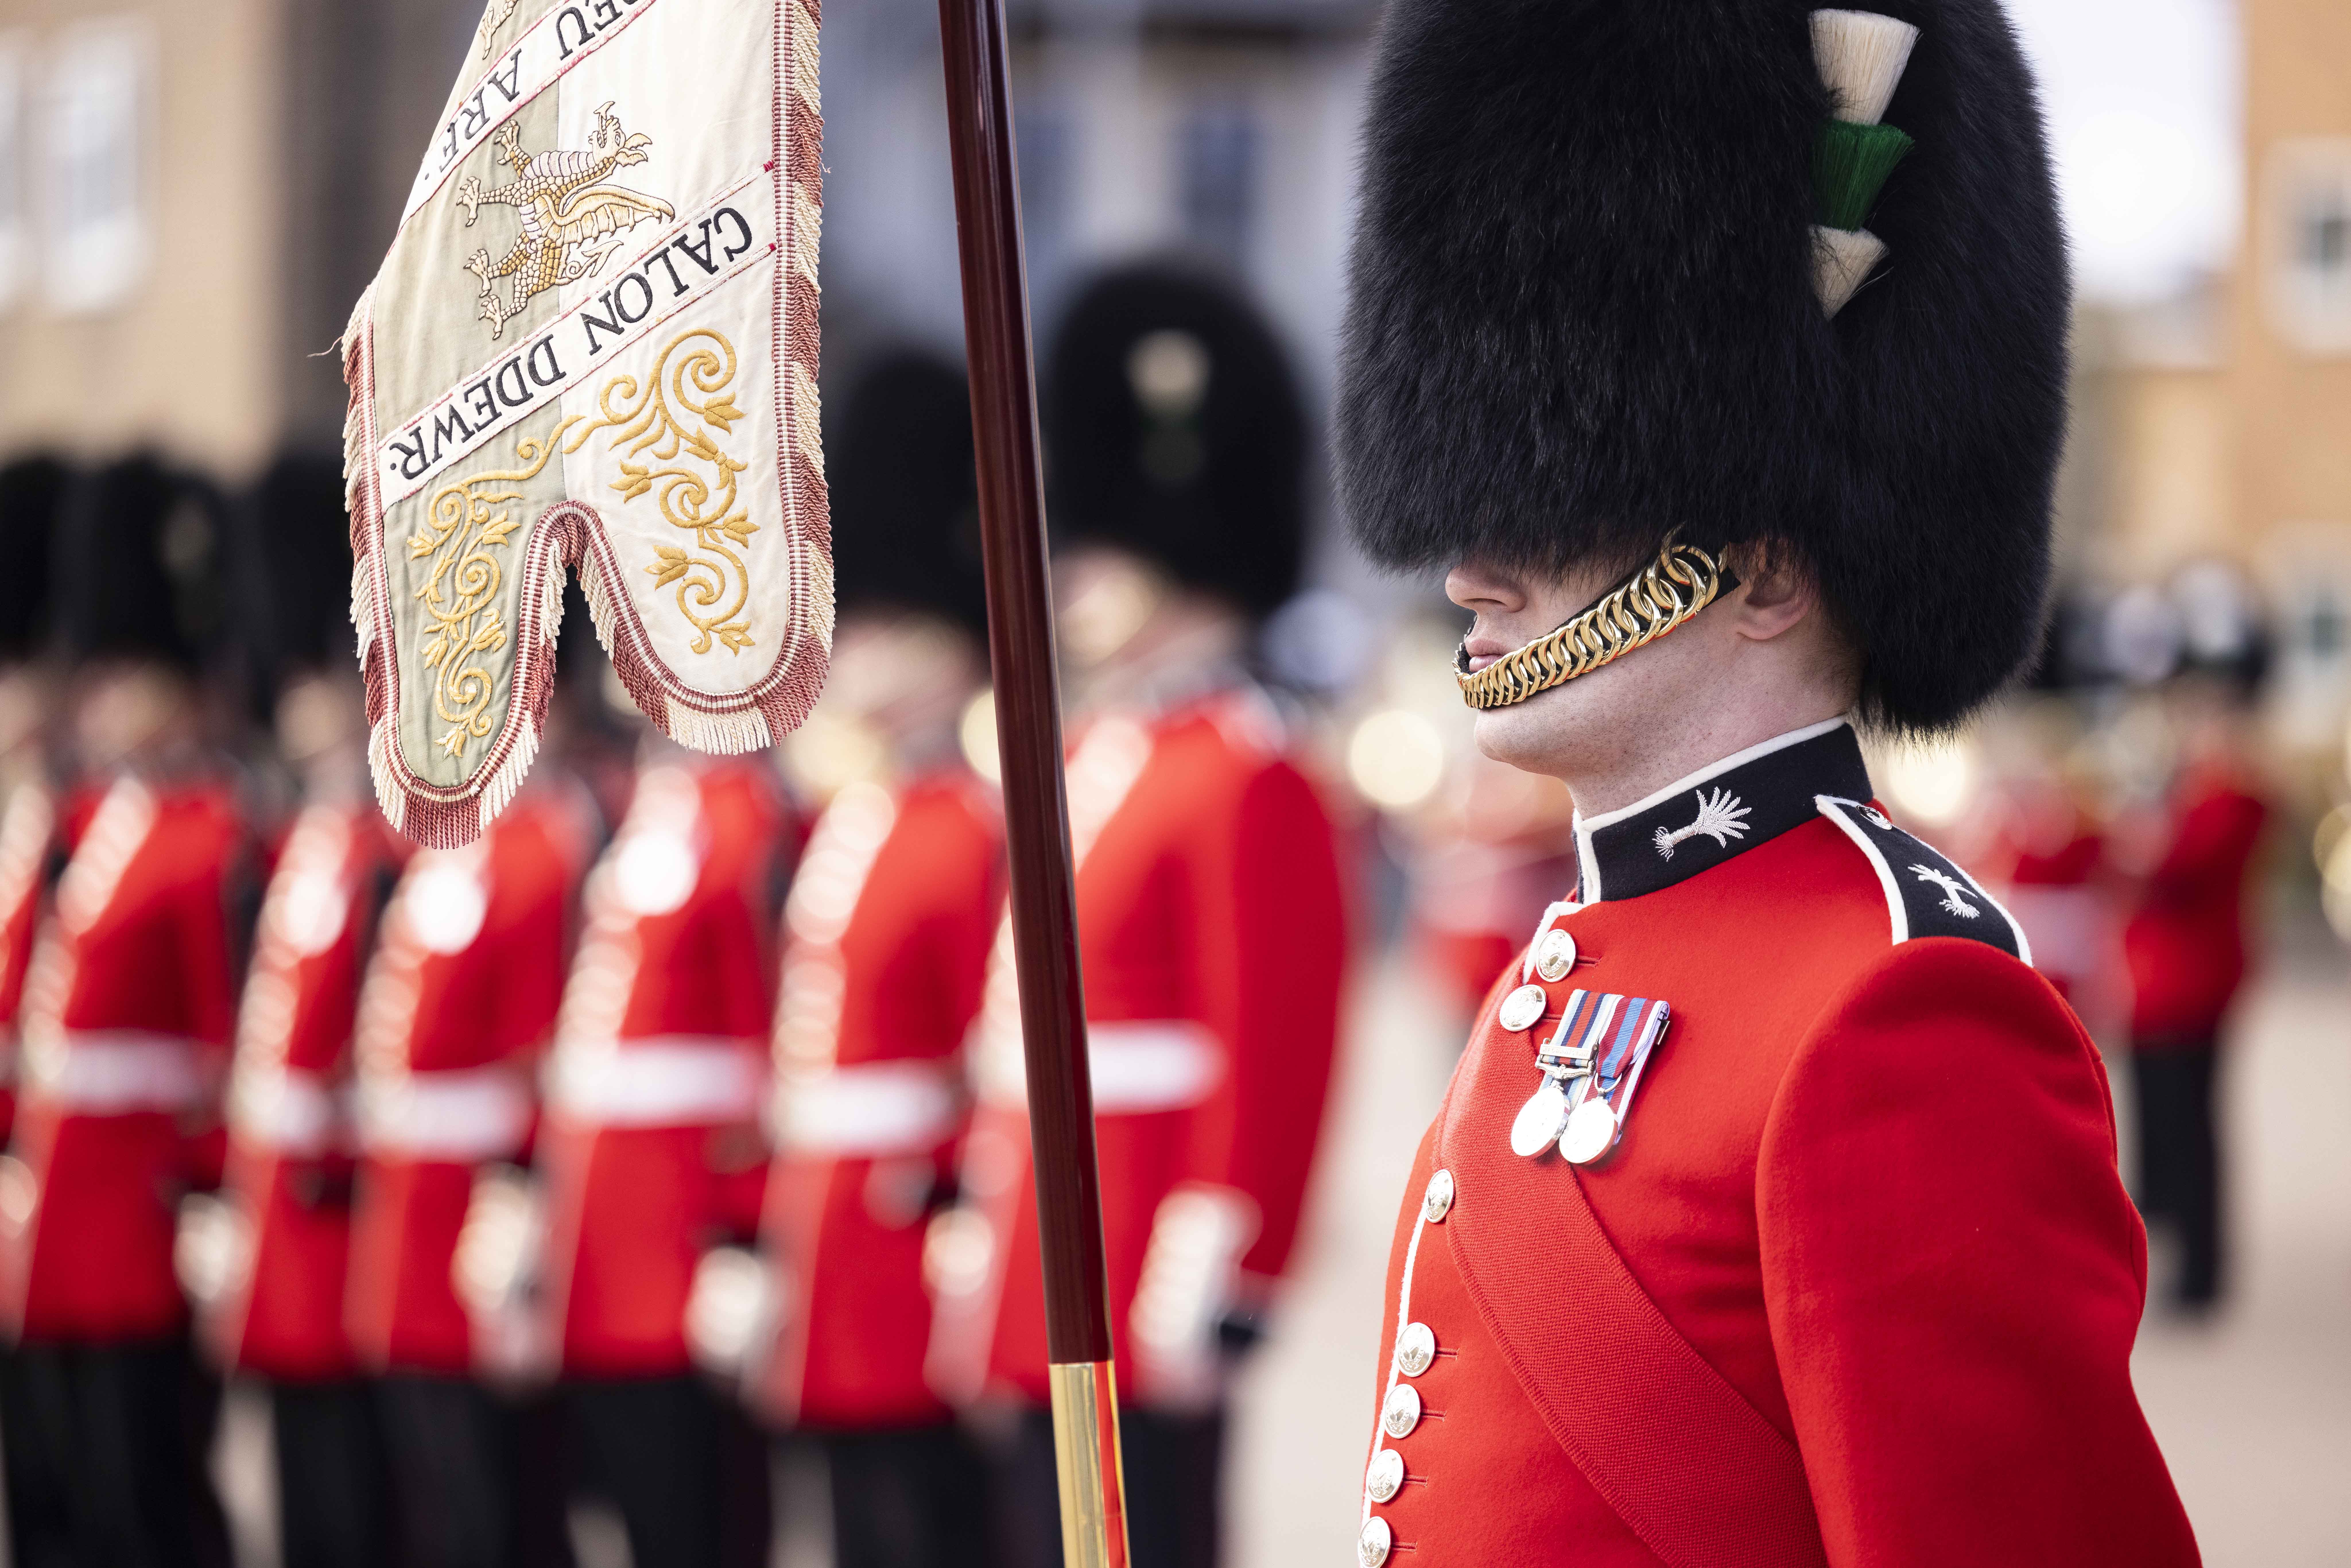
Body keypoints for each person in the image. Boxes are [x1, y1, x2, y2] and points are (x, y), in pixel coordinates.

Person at [1331, 2, 2199, 1564]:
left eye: (1556, 499)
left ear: (1766, 572)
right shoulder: (1574, 951)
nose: (1469, 566)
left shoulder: (1898, 1008)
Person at [926, 265, 1351, 1568]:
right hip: (1045, 1225)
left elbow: (1274, 1042)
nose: (1074, 574)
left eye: (1100, 546)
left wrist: (1229, 1254)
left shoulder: (1247, 764)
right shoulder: (1107, 749)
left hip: (1143, 1240)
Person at [748, 350, 1002, 1568]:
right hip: (829, 1224)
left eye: (889, 625)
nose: (856, 654)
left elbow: (984, 1048)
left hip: (913, 1231)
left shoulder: (979, 825)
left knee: (925, 1522)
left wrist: (960, 1198)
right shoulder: (855, 815)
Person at [1, 455, 243, 1568]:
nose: (102, 697)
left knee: (146, 1491)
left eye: (127, 673)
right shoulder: (79, 827)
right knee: (58, 1498)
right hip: (52, 1210)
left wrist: (206, 1187)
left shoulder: (207, 840)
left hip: (139, 1213)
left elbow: (218, 1042)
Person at [195, 453, 403, 1568]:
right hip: (283, 1207)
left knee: (371, 1500)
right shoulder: (303, 846)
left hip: (351, 1210)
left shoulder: (390, 847)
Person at [530, 727, 789, 1568]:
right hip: (608, 1230)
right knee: (636, 1498)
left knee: (703, 1510)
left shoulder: (751, 816)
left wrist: (746, 1229)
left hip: (685, 1227)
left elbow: (765, 1040)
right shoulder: (642, 808)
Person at [344, 761, 589, 1568]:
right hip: (407, 1196)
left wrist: (519, 1194)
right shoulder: (440, 848)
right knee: (430, 1480)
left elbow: (534, 1054)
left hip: (473, 1203)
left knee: (491, 1486)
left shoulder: (533, 853)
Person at [2120, 674, 2269, 1311]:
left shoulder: (2229, 796)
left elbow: (2172, 866)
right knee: (2162, 1128)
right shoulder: (2192, 791)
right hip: (2159, 985)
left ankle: (2200, 1271)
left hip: (2191, 984)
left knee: (2188, 1129)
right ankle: (2175, 1256)